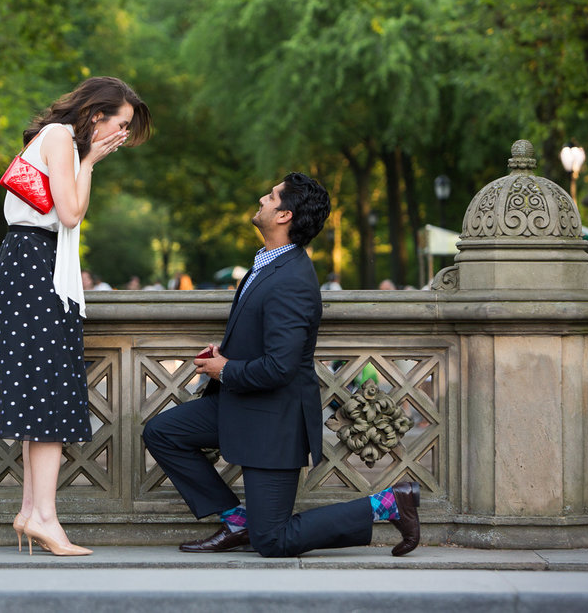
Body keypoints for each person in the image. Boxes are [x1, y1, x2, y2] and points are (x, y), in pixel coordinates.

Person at [142, 173, 420, 557]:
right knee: (163, 432)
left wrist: (225, 369)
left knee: (273, 540)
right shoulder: (267, 263)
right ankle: (237, 522)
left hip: (273, 420)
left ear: (285, 215)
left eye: (271, 197)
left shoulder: (292, 278)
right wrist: (227, 354)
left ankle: (387, 504)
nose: (262, 198)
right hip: (239, 406)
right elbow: (265, 336)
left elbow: (281, 367)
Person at [0, 77, 151, 556]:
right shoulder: (60, 137)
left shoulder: (60, 141)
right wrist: (92, 161)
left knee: (45, 390)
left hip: (33, 266)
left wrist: (88, 160)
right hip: (32, 268)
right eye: (120, 124)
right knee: (50, 393)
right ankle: (44, 518)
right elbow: (73, 212)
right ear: (97, 114)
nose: (121, 135)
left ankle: (31, 511)